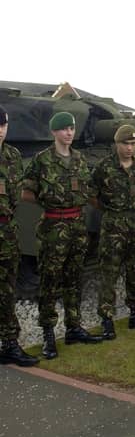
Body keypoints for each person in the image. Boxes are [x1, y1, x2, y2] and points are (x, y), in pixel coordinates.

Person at [22, 112, 103, 359]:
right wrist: (49, 204)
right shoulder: (42, 160)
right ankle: (48, 335)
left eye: (72, 128)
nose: (69, 132)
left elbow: (88, 190)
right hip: (54, 227)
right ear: (54, 132)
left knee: (74, 278)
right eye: (64, 129)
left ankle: (74, 327)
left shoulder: (79, 160)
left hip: (76, 225)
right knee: (49, 282)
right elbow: (26, 192)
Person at [89, 124, 135, 340]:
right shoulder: (104, 167)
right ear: (116, 144)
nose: (130, 148)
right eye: (125, 144)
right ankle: (107, 319)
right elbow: (91, 195)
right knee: (109, 274)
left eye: (133, 144)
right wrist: (109, 210)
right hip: (114, 226)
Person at [0, 105, 39, 367]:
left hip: (6, 230)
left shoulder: (12, 155)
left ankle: (9, 345)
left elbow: (18, 192)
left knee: (6, 290)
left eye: (2, 125)